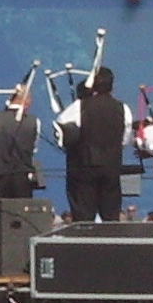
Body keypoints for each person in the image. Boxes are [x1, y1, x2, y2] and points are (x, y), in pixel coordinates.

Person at [59, 67, 130, 223]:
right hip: (111, 166)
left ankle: (85, 243)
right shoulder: (123, 108)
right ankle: (112, 244)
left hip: (84, 166)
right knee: (111, 213)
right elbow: (125, 138)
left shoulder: (80, 106)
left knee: (84, 215)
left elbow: (61, 127)